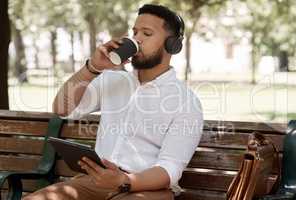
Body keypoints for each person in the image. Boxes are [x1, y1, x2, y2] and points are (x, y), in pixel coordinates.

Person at [23, 4, 203, 200]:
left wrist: (124, 181)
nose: (137, 39)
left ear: (172, 45)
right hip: (94, 182)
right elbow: (62, 109)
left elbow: (170, 169)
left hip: (147, 190)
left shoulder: (187, 102)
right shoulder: (111, 80)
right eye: (135, 32)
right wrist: (93, 67)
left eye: (147, 33)